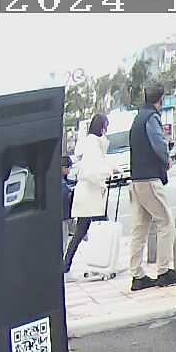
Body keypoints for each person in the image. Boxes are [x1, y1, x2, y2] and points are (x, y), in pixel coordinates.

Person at [124, 85, 176, 291]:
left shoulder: (138, 118)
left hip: (136, 179)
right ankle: (164, 271)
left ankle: (137, 275)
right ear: (161, 99)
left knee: (140, 227)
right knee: (166, 222)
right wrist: (166, 160)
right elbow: (159, 144)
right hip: (149, 179)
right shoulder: (152, 118)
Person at [63, 113, 110, 274]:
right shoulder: (94, 144)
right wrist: (105, 177)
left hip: (86, 195)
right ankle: (103, 262)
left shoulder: (89, 142)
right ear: (102, 128)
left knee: (81, 231)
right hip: (91, 194)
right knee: (104, 228)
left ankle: (66, 265)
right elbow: (93, 170)